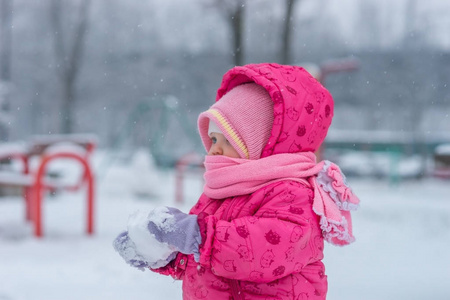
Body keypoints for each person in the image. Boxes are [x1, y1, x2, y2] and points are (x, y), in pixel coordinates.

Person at [113, 63, 360, 300]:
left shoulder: (293, 193)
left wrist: (198, 235)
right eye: (213, 139)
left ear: (263, 143)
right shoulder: (220, 191)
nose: (214, 151)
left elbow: (264, 251)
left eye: (228, 141)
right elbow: (205, 259)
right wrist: (161, 252)